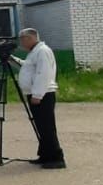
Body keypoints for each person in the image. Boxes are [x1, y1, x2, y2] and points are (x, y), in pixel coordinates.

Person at [11, 28, 66, 169]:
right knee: (41, 126)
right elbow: (28, 68)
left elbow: (44, 73)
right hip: (37, 93)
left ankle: (56, 158)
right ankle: (45, 155)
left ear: (30, 38)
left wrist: (37, 94)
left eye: (22, 39)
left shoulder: (42, 51)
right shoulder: (34, 52)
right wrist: (11, 59)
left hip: (43, 94)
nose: (21, 42)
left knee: (47, 127)